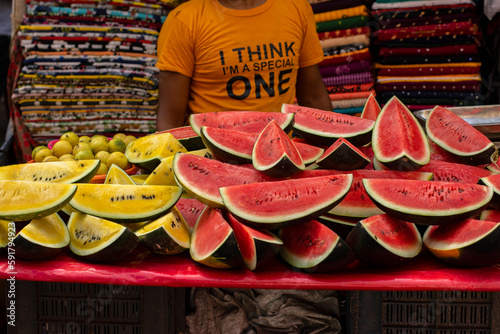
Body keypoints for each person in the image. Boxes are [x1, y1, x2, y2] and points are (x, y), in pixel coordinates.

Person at [155, 0, 333, 131]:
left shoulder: (296, 8)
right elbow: (170, 121)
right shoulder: (184, 21)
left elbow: (313, 98)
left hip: (282, 153)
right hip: (210, 156)